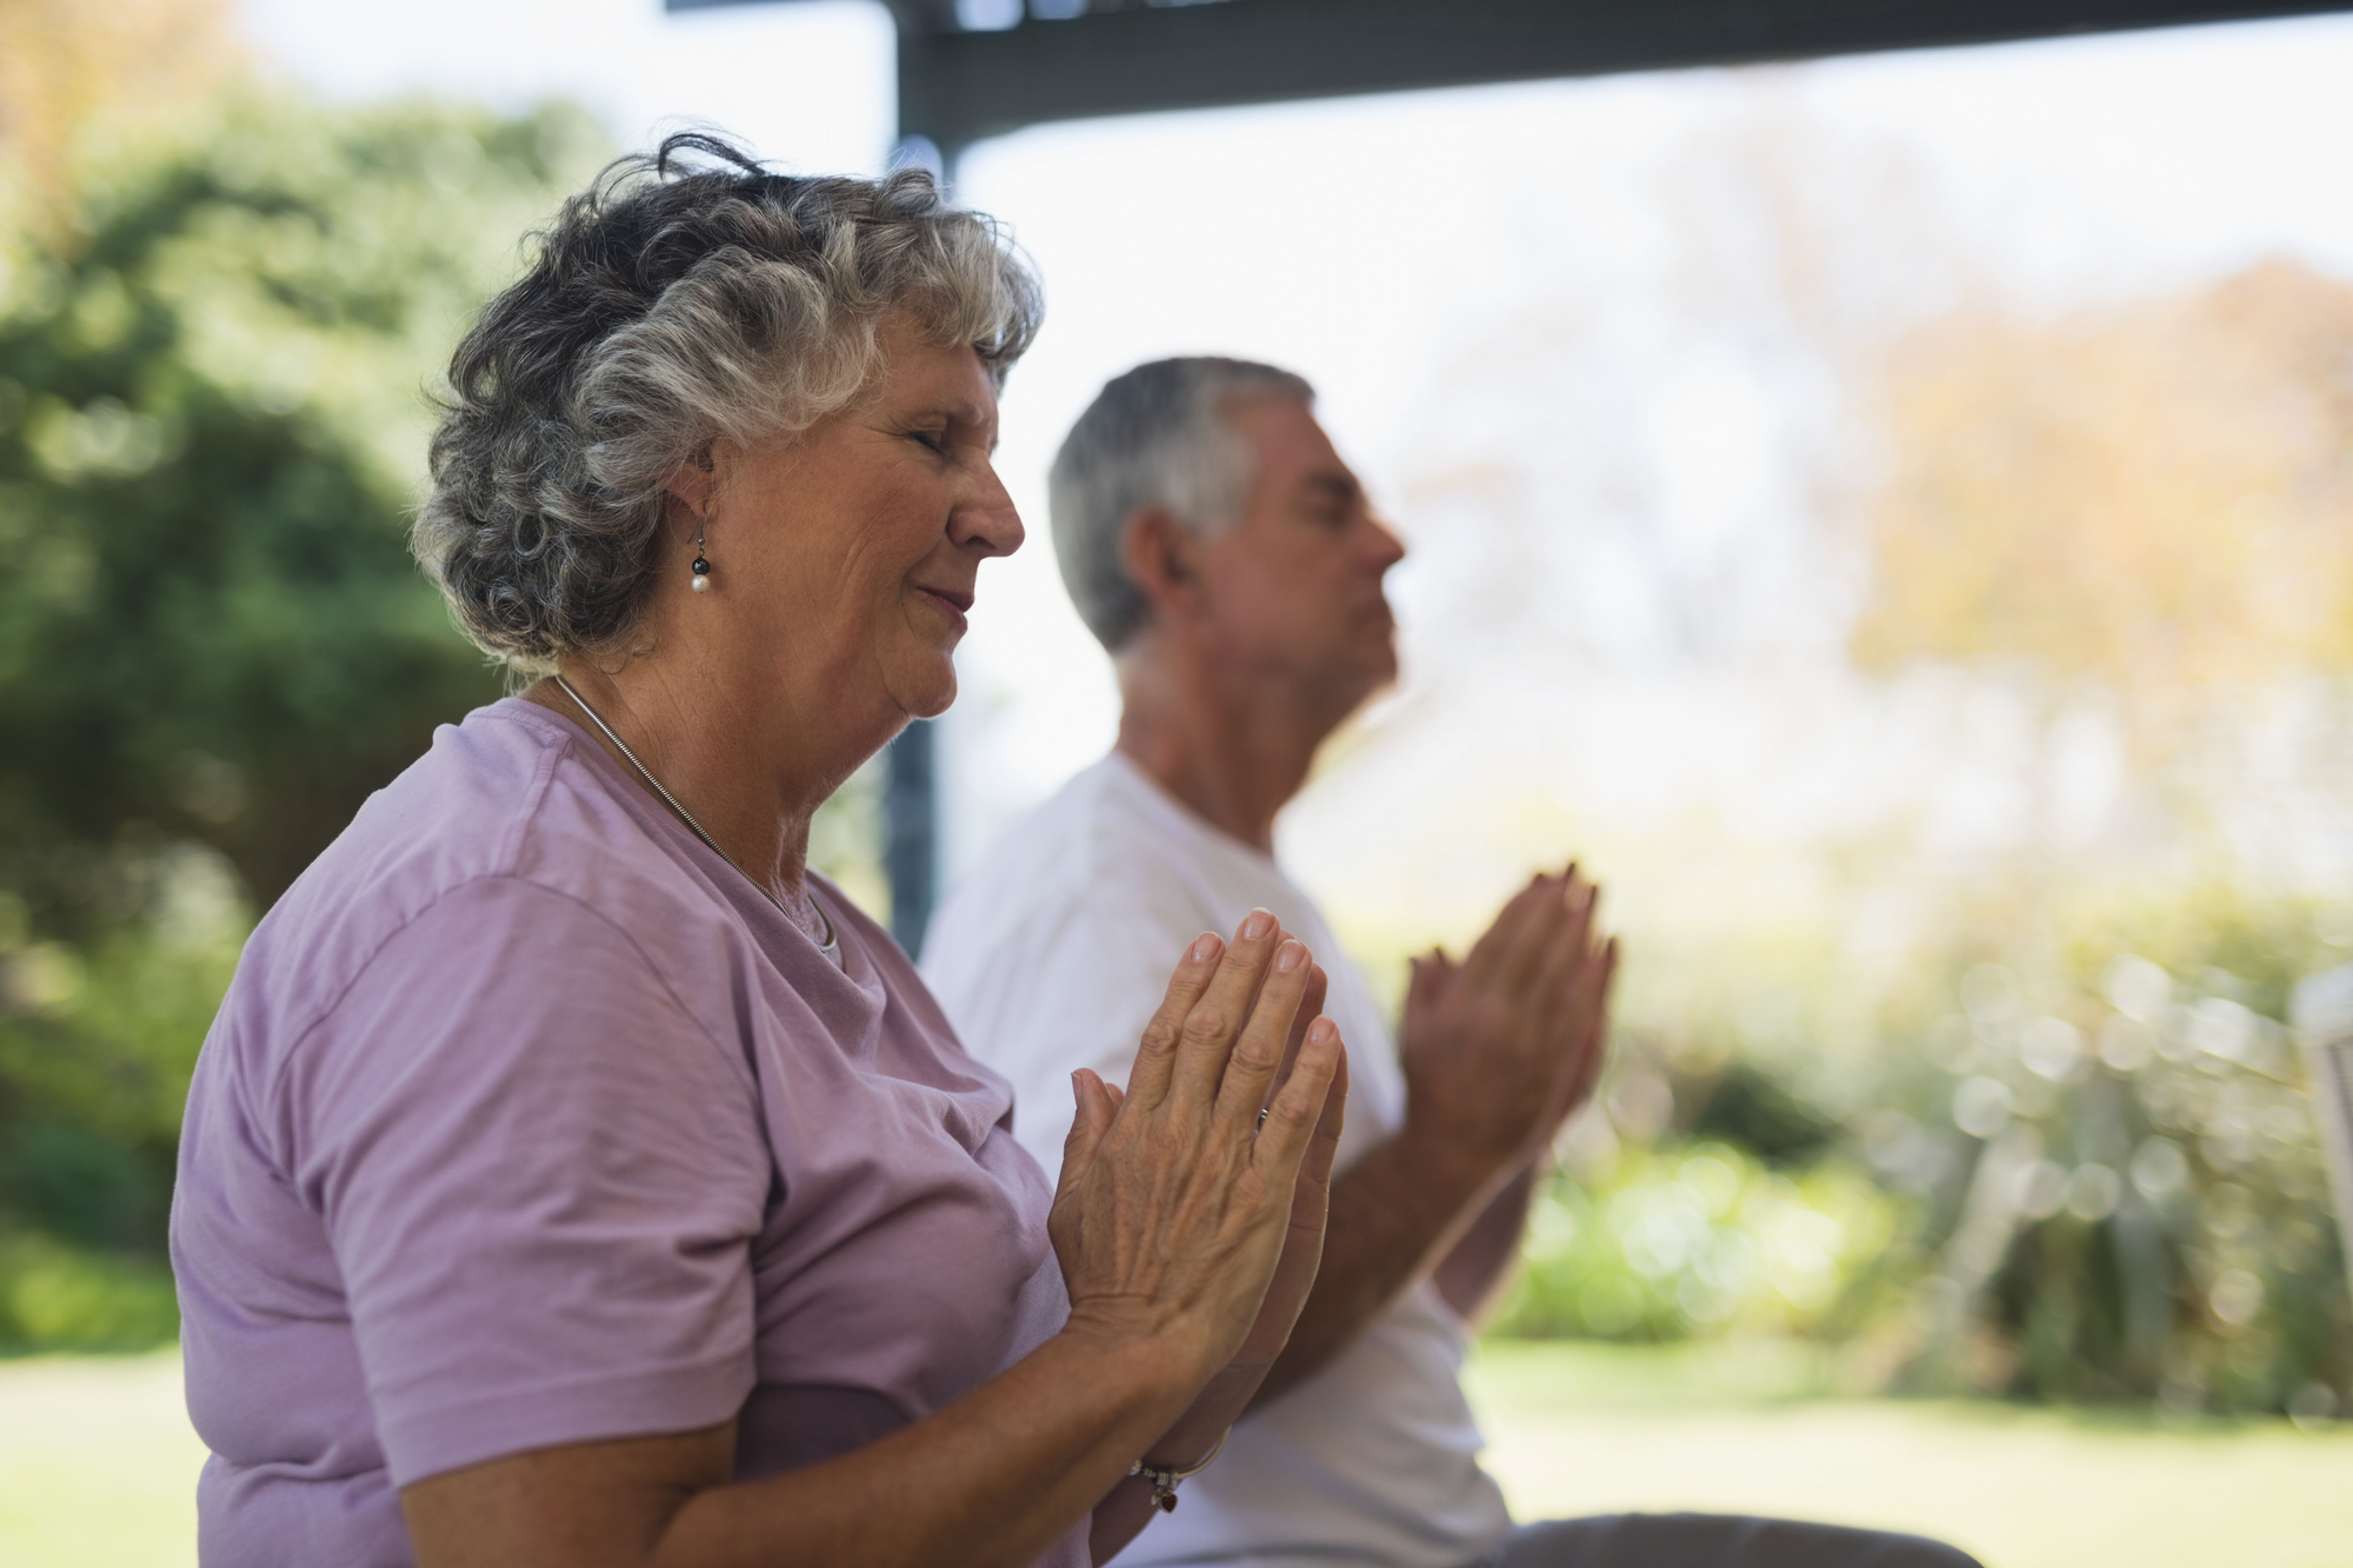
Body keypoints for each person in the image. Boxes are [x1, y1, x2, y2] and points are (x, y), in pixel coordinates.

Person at [167, 143, 1352, 1568]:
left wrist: (1193, 1364)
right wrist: (1128, 1347)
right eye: (934, 439)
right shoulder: (534, 918)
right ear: (703, 471)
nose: (1000, 518)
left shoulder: (784, 913)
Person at [923, 358, 1985, 1568]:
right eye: (1328, 508)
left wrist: (1507, 1130)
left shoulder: (1242, 880)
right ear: (1172, 561)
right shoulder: (1098, 893)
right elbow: (1115, 1348)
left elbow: (1406, 1314)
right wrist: (1449, 1140)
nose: (1390, 545)